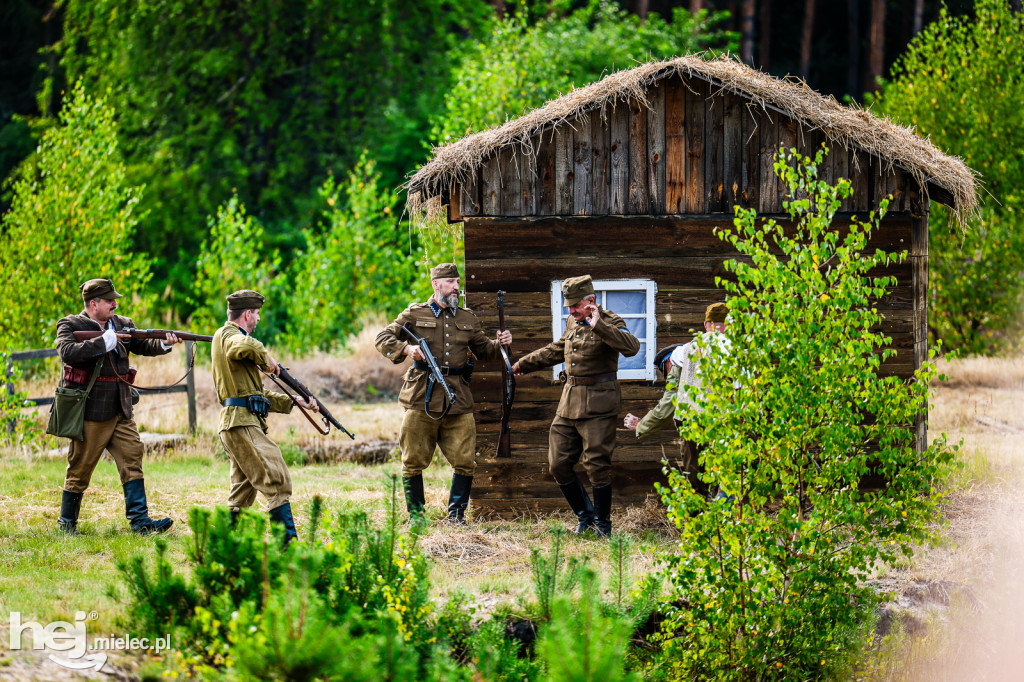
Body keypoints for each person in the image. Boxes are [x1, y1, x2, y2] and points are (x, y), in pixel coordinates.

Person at [375, 263, 512, 524]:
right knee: (412, 460)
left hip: (457, 396)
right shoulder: (415, 313)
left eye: (457, 282)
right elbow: (382, 338)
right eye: (450, 282)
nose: (456, 287)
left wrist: (501, 344)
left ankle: (456, 516)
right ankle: (416, 517)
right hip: (420, 395)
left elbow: (484, 350)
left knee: (465, 460)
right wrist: (407, 350)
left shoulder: (467, 317)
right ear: (435, 284)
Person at [512, 275, 640, 537]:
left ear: (591, 301)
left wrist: (599, 325)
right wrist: (523, 363)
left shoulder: (611, 321)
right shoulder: (572, 321)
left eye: (575, 306)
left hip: (599, 404)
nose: (570, 311)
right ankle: (586, 516)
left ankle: (603, 525)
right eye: (568, 306)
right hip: (568, 402)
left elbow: (632, 348)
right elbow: (557, 349)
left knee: (596, 465)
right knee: (557, 463)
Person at [54, 278, 182, 535]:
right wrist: (104, 342)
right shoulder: (70, 324)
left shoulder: (123, 324)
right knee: (80, 466)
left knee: (132, 457)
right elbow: (67, 352)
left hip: (121, 407)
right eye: (109, 300)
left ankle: (140, 522)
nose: (115, 303)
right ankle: (67, 524)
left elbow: (144, 345)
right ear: (94, 304)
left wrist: (166, 343)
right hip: (91, 410)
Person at [211, 289, 317, 546]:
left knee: (242, 491)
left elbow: (254, 395)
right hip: (241, 422)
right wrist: (267, 359)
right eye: (256, 314)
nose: (258, 319)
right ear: (247, 314)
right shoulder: (229, 336)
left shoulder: (231, 338)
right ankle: (288, 547)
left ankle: (226, 547)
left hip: (240, 420)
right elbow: (244, 345)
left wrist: (295, 401)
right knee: (276, 479)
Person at [624, 302, 729, 496]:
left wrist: (642, 425)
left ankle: (697, 521)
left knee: (694, 476)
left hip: (692, 421)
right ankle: (725, 520)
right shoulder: (739, 350)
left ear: (706, 324)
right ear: (729, 324)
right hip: (726, 423)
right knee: (727, 477)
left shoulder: (684, 351)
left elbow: (671, 398)